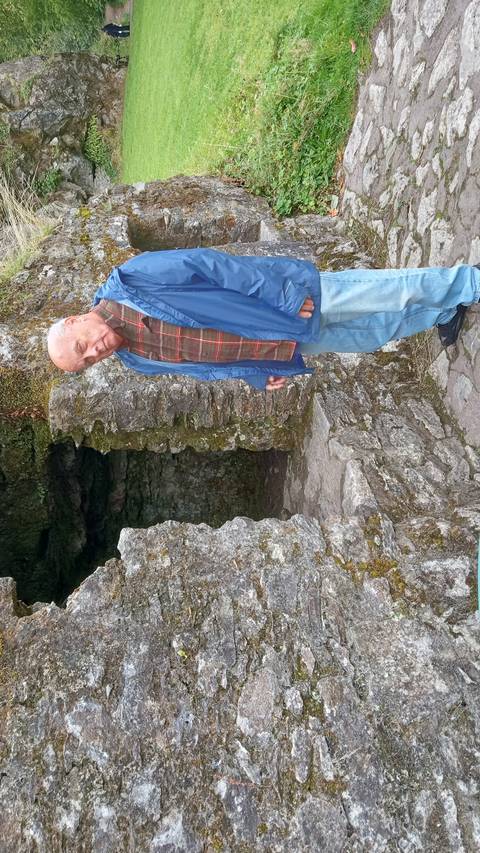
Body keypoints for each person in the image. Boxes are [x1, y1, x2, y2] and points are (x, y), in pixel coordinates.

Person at [47, 248, 480, 391]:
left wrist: (284, 294)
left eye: (82, 346)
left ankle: (469, 283)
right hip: (280, 345)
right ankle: (444, 308)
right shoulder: (134, 360)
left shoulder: (131, 281)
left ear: (74, 320)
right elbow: (204, 367)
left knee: (390, 291)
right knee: (373, 334)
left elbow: (211, 264)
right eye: (86, 362)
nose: (94, 353)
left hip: (288, 304)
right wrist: (255, 374)